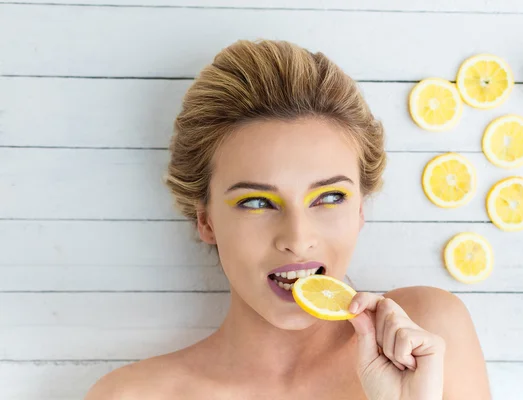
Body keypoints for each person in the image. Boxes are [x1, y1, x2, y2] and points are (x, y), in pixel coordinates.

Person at [85, 39, 491, 399]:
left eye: (330, 197)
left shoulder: (428, 335)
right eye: (257, 202)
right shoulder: (130, 395)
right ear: (206, 220)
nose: (298, 238)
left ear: (361, 209)